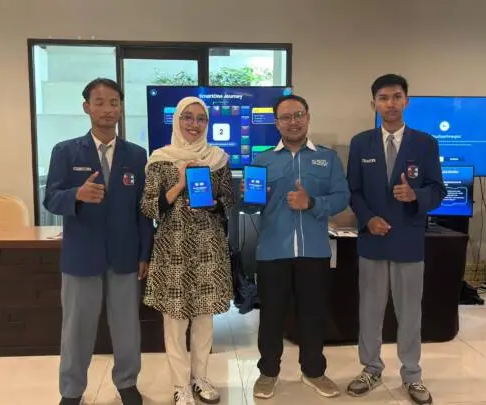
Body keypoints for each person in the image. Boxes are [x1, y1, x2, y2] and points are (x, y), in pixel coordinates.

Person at [43, 78, 152, 405]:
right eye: (100, 102)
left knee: (127, 326)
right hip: (82, 255)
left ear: (121, 108)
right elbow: (51, 199)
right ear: (86, 107)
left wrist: (145, 252)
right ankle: (71, 390)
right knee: (76, 328)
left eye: (114, 102)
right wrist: (76, 195)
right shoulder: (65, 151)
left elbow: (143, 209)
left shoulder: (136, 155)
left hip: (124, 254)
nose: (108, 109)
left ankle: (127, 382)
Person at [346, 74, 446, 405]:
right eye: (384, 98)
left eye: (397, 96)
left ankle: (412, 374)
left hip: (408, 241)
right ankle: (371, 368)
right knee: (370, 311)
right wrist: (368, 219)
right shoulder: (361, 143)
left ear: (406, 101)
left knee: (409, 313)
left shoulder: (426, 143)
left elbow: (438, 190)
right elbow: (354, 191)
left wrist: (416, 195)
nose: (390, 103)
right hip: (372, 240)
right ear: (373, 103)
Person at [247, 94, 350, 400]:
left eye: (298, 115)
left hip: (314, 252)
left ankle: (314, 371)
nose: (293, 122)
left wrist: (312, 203)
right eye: (286, 117)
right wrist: (250, 197)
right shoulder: (262, 160)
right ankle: (268, 372)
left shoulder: (327, 158)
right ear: (276, 123)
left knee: (313, 315)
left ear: (307, 117)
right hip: (272, 251)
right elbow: (251, 209)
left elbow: (342, 197)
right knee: (271, 317)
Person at [141, 96, 235, 405]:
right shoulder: (160, 159)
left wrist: (214, 203)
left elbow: (230, 201)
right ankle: (180, 385)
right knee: (175, 322)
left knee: (204, 319)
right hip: (174, 250)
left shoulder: (218, 158)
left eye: (201, 118)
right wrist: (180, 184)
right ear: (177, 120)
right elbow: (148, 207)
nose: (194, 124)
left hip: (209, 246)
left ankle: (200, 378)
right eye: (188, 117)